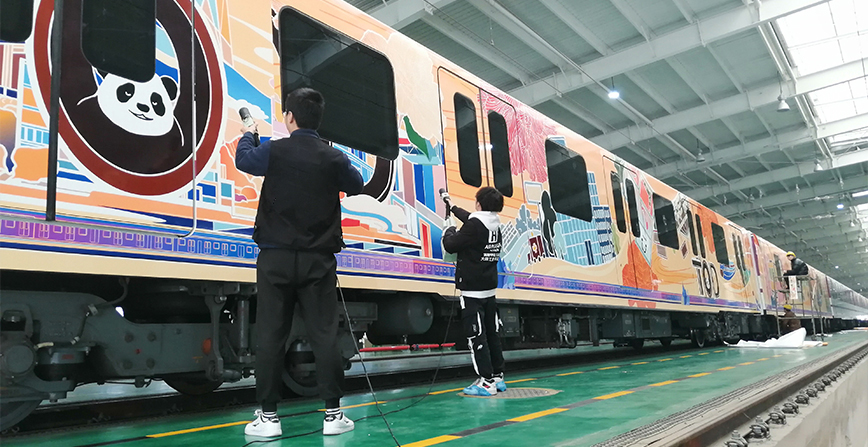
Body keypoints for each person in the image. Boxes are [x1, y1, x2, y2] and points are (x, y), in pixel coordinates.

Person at [235, 88, 364, 438]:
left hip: (274, 258)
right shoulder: (332, 157)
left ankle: (268, 418)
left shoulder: (274, 150)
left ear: (289, 117)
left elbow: (244, 160)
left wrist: (249, 134)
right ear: (318, 120)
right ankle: (334, 415)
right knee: (324, 333)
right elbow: (357, 183)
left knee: (270, 335)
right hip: (318, 260)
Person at [442, 187, 507, 396]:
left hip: (472, 292)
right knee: (492, 334)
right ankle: (497, 376)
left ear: (479, 203)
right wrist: (453, 207)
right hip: (489, 290)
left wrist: (449, 229)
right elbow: (472, 219)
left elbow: (451, 245)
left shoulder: (474, 226)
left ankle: (486, 383)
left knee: (476, 336)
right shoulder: (494, 223)